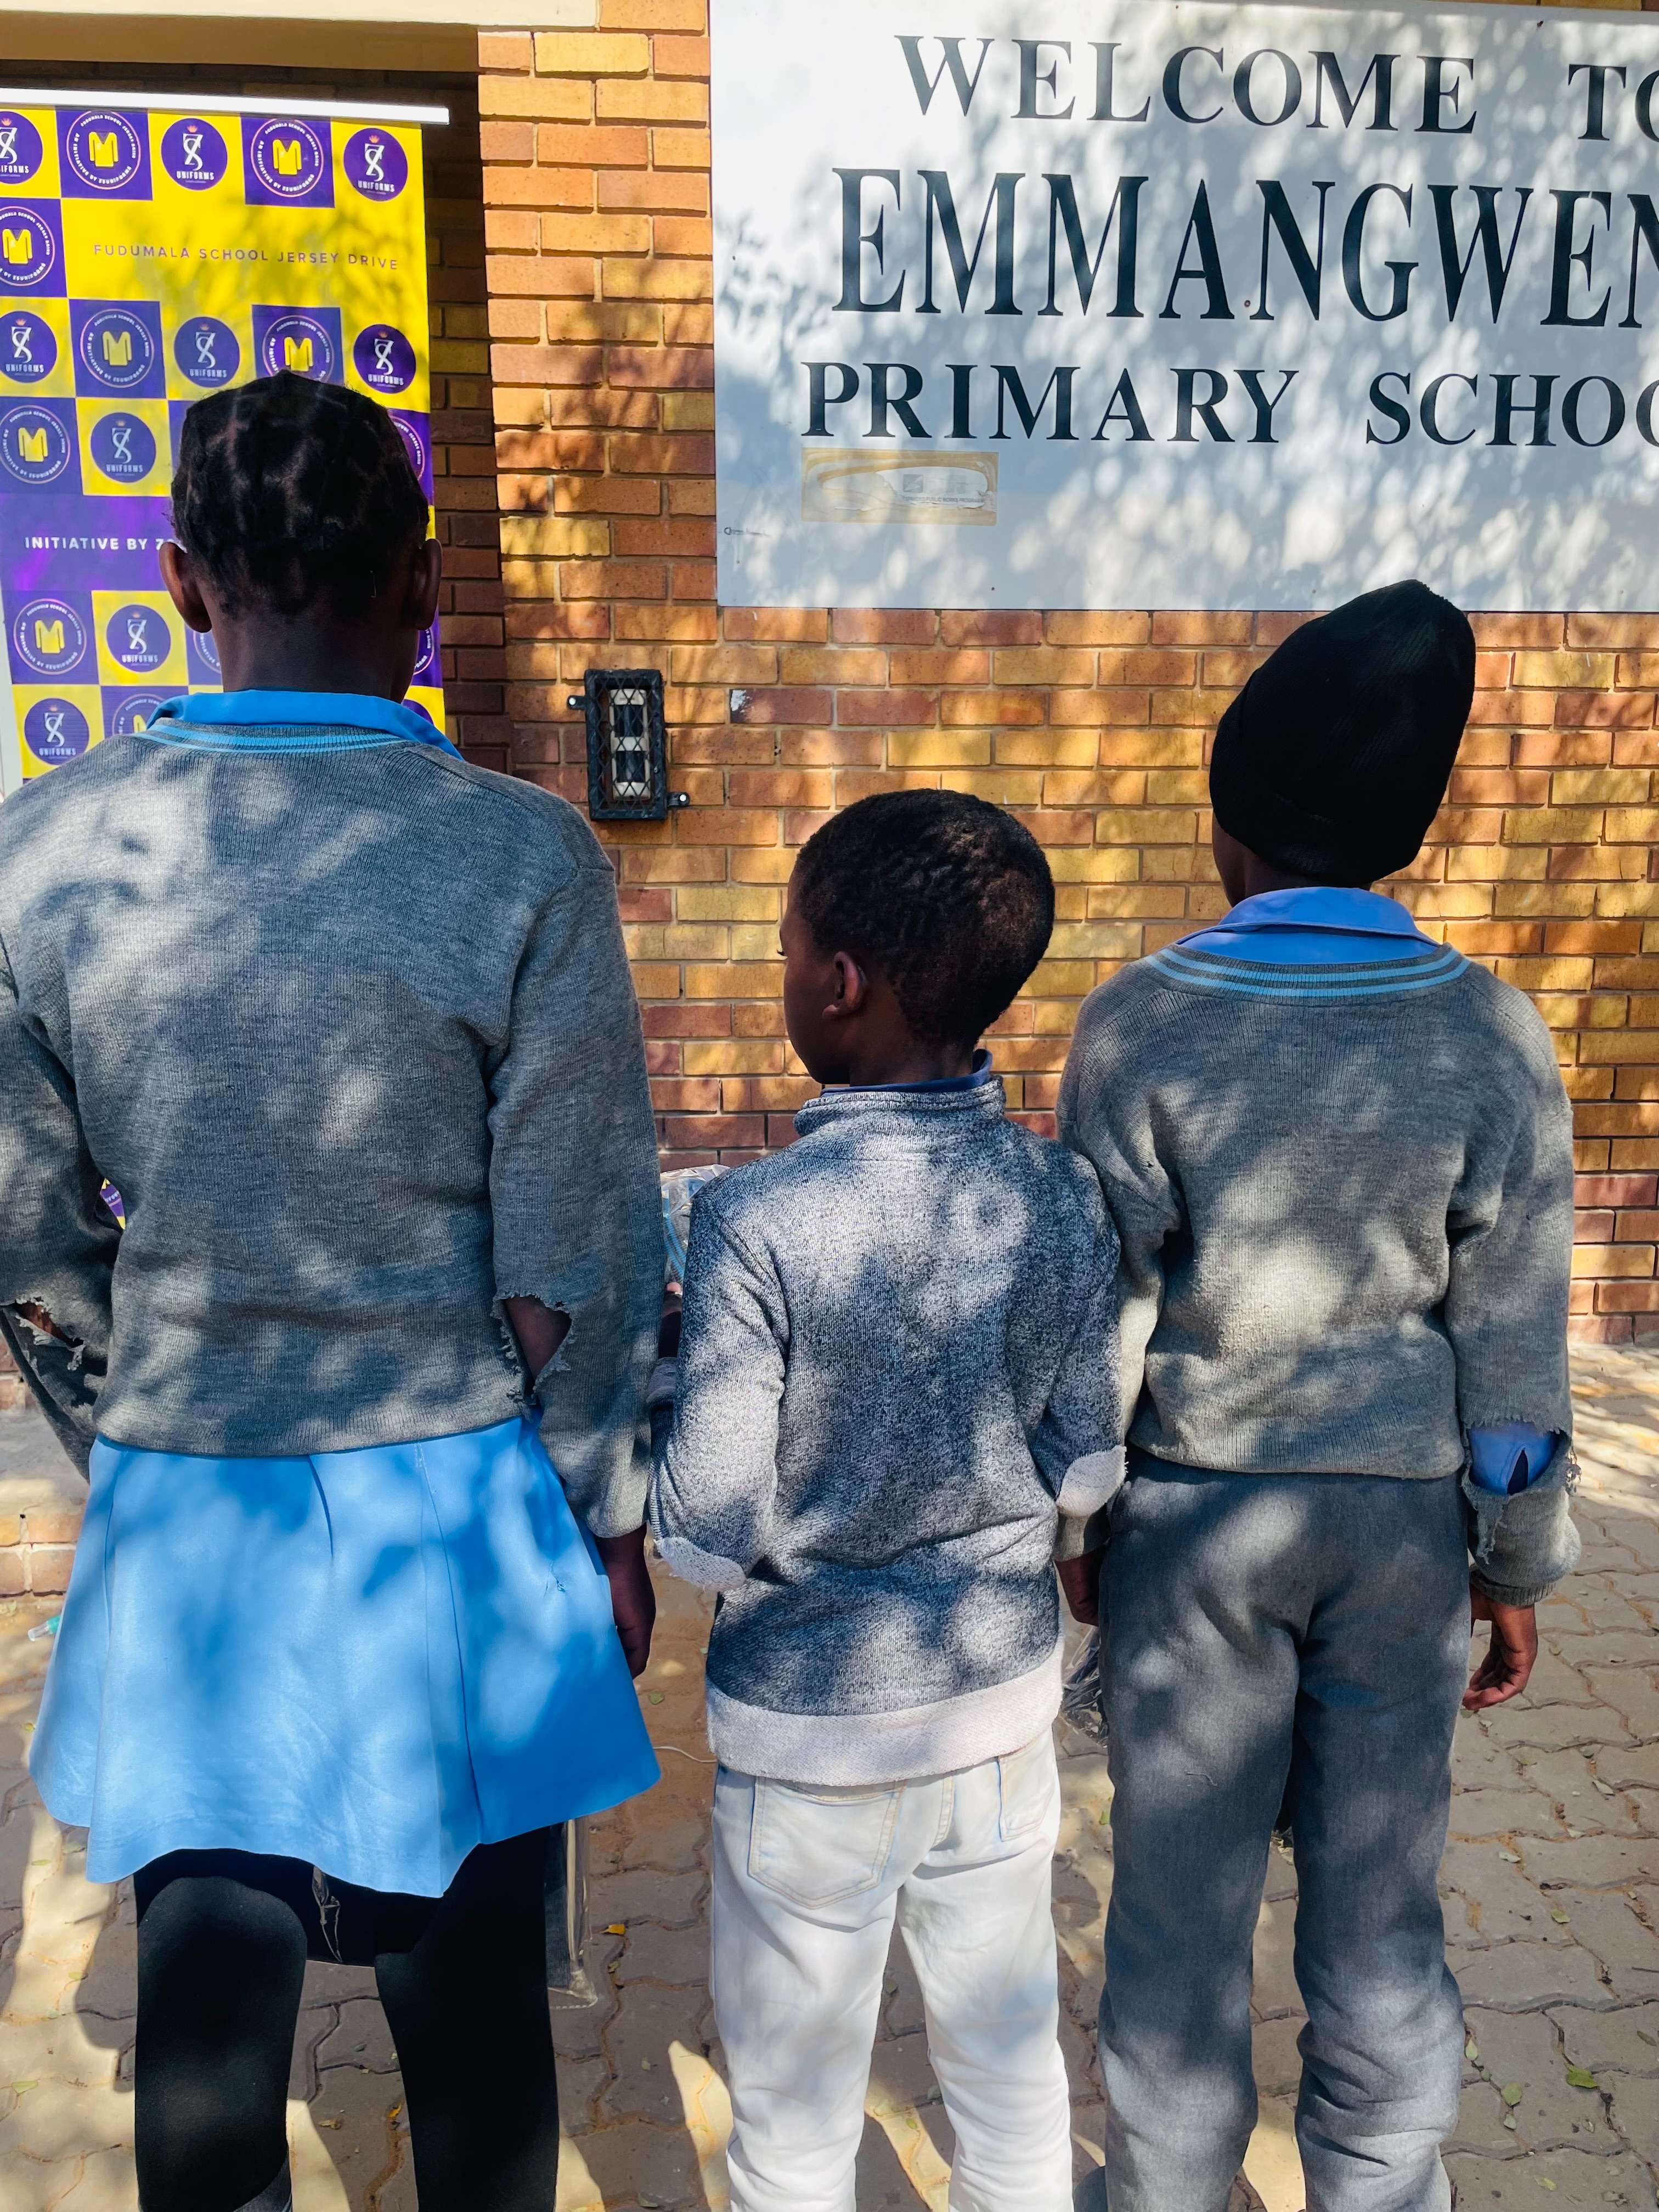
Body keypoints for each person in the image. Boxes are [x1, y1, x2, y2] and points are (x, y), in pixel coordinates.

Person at [0, 371, 664, 2212]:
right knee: (472, 2014)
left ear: (178, 581)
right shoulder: (522, 857)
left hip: (187, 1499)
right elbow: (579, 1257)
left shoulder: (41, 851)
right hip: (455, 1507)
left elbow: (27, 1238)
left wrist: (131, 1407)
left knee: (207, 1999)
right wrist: (605, 1507)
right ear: (426, 583)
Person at [1059, 580, 1579, 2212]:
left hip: (1195, 1521)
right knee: (1379, 1903)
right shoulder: (1493, 1033)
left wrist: (1082, 1516)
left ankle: (1168, 2187)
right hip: (1405, 1537)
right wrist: (1517, 1560)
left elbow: (1104, 1314)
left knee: (1176, 1911)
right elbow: (1514, 1340)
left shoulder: (1140, 1021)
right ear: (1408, 836)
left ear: (1223, 824)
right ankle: (1378, 2184)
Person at [650, 789, 1121, 2212]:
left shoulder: (752, 1221)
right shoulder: (1059, 1195)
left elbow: (707, 1526)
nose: (786, 977)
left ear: (839, 983)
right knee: (1008, 2070)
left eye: (788, 952)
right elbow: (1089, 1462)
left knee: (793, 2122)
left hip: (807, 1737)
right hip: (995, 1718)